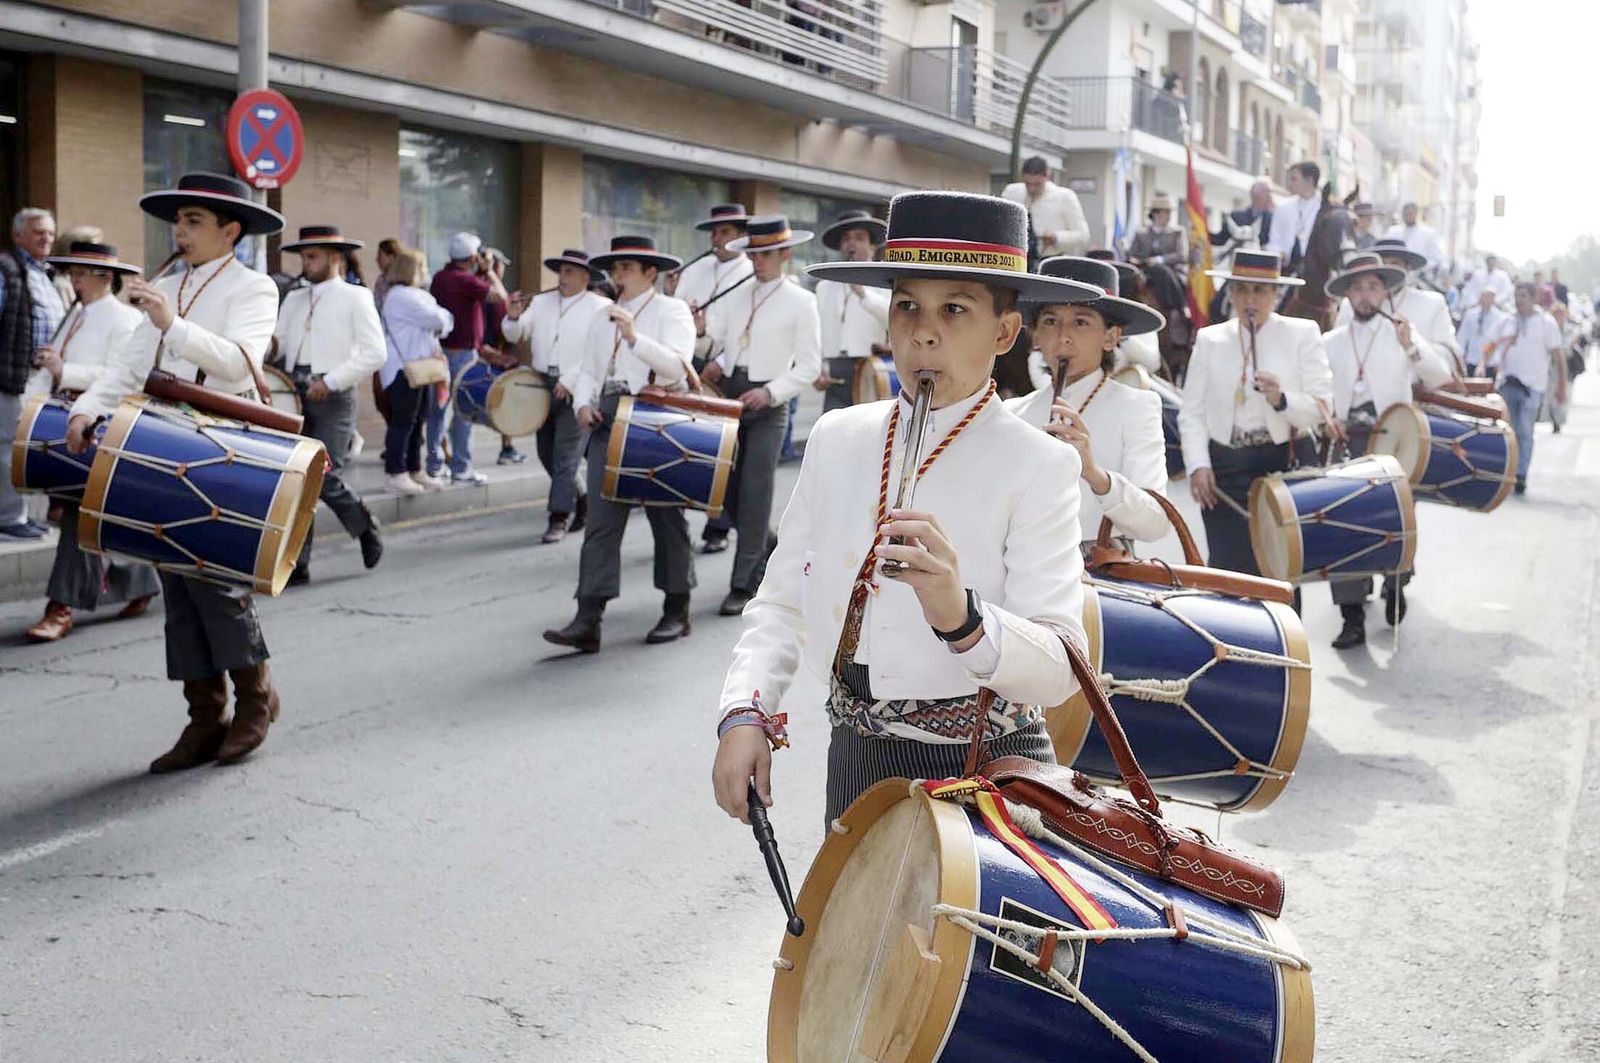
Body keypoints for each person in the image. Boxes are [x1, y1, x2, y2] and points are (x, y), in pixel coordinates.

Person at [710, 191, 1099, 827]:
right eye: (907, 306)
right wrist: (746, 710)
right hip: (857, 755)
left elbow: (1060, 667)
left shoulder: (1039, 463)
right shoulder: (838, 438)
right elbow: (781, 601)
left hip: (986, 763)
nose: (923, 331)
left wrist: (962, 614)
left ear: (1004, 332)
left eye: (955, 309)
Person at [64, 172, 286, 771]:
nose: (180, 231)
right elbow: (128, 366)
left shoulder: (254, 288)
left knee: (216, 582)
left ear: (230, 231)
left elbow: (241, 366)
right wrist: (87, 409)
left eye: (194, 221)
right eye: (179, 220)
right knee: (176, 584)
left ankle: (256, 701)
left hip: (220, 445)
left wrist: (172, 324)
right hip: (159, 442)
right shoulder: (167, 282)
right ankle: (203, 717)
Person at [544, 235, 698, 652]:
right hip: (609, 414)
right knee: (601, 520)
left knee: (665, 517)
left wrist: (634, 338)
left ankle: (676, 607)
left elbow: (678, 366)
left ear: (651, 273)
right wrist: (581, 403)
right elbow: (589, 370)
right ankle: (588, 617)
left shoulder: (672, 310)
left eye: (627, 268)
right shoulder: (601, 317)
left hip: (655, 416)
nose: (618, 277)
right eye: (614, 269)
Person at [23, 242, 160, 642]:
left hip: (101, 425)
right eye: (71, 273)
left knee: (79, 514)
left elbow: (120, 376)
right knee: (83, 514)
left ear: (104, 277)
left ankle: (60, 608)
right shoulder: (76, 315)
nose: (73, 280)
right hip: (61, 420)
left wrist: (67, 370)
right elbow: (53, 368)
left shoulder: (126, 320)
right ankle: (140, 580)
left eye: (80, 273)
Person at [1320, 253, 1452, 648]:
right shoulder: (1330, 342)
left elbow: (1439, 376)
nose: (1365, 295)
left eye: (1373, 287)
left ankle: (1396, 583)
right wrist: (1328, 416)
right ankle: (1352, 617)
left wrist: (1412, 346)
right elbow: (1317, 392)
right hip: (1346, 442)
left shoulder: (1401, 334)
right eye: (1357, 288)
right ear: (1347, 295)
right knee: (1342, 526)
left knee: (1391, 522)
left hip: (1392, 441)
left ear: (1385, 292)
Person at [1179, 249, 1331, 575]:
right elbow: (1190, 412)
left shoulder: (1302, 334)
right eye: (1241, 289)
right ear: (1231, 292)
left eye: (1260, 290)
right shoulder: (1210, 339)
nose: (1250, 299)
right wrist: (1198, 464)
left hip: (1282, 461)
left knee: (1281, 569)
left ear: (1276, 294)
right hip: (1226, 465)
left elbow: (1321, 409)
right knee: (1227, 569)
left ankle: (1284, 628)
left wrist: (1281, 399)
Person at [699, 216, 821, 616]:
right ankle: (766, 544)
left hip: (769, 405)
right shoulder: (737, 294)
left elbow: (807, 366)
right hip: (730, 396)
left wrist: (770, 392)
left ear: (785, 254)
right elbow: (721, 342)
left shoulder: (802, 301)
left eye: (766, 254)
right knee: (722, 492)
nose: (758, 262)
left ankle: (744, 581)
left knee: (755, 493)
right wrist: (714, 357)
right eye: (753, 255)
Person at [1005, 255, 1169, 547]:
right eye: (1051, 321)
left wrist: (1096, 475)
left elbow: (1156, 523)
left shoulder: (1136, 407)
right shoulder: (1012, 414)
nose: (1064, 336)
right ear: (1036, 337)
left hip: (1104, 576)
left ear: (1110, 337)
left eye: (1081, 322)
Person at [273, 225, 387, 584]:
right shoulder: (293, 298)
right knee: (294, 480)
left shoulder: (356, 297)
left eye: (313, 256)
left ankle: (364, 525)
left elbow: (375, 353)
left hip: (335, 396)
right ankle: (297, 562)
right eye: (304, 256)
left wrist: (332, 381)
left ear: (335, 257)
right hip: (293, 395)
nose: (305, 263)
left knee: (322, 473)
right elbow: (277, 343)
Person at [502, 249, 611, 543]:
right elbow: (517, 333)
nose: (563, 277)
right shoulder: (541, 302)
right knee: (545, 453)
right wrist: (512, 318)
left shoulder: (600, 307)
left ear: (586, 278)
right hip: (541, 383)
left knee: (565, 455)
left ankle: (558, 517)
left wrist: (571, 379)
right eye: (561, 271)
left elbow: (600, 352)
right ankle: (582, 497)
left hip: (577, 389)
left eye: (570, 272)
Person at [1, 207, 67, 540]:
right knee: (6, 448)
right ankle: (7, 518)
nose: (46, 238)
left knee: (23, 446)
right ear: (18, 235)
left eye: (51, 233)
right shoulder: (6, 269)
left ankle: (20, 515)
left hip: (39, 380)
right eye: (38, 231)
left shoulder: (49, 274)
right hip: (10, 375)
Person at [425, 231, 507, 485]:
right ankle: (461, 467)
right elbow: (501, 297)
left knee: (437, 411)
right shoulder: (467, 281)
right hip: (463, 356)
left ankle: (434, 465)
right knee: (463, 411)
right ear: (472, 257)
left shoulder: (440, 278)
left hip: (439, 353)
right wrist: (490, 270)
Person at [378, 247, 453, 495]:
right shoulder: (402, 296)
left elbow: (442, 320)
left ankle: (414, 469)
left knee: (417, 420)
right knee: (403, 421)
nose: (426, 273)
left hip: (420, 368)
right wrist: (440, 314)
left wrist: (440, 315)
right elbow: (440, 320)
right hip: (403, 369)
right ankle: (396, 473)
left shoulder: (413, 295)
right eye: (423, 267)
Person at [1483, 282, 1565, 495]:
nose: (1519, 300)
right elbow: (1490, 345)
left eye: (1523, 296)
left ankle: (1521, 474)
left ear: (1534, 298)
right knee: (1505, 430)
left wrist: (1561, 385)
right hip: (1508, 383)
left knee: (1525, 431)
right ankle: (1506, 471)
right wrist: (1484, 364)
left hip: (1533, 386)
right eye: (1517, 295)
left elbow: (1558, 355)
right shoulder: (1506, 320)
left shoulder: (1546, 323)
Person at [1336, 238, 1462, 373]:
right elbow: (1338, 349)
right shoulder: (1351, 305)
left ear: (1407, 268)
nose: (1388, 269)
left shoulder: (1432, 303)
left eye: (1395, 264)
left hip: (1417, 390)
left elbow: (1450, 358)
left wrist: (1412, 346)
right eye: (1383, 264)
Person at [812, 209, 889, 414]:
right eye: (846, 239)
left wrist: (865, 295)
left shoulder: (885, 279)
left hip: (872, 368)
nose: (851, 244)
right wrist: (817, 369)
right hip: (835, 371)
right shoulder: (825, 286)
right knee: (832, 433)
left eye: (859, 238)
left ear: (872, 244)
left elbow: (894, 321)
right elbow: (815, 332)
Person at [1002, 156, 1091, 260]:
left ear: (1047, 177)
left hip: (1051, 259)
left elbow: (1083, 235)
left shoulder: (1064, 197)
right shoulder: (1012, 192)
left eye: (1037, 184)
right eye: (1028, 184)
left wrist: (1056, 237)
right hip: (1017, 258)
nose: (1032, 189)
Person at [674, 203, 754, 315]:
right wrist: (671, 292)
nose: (716, 239)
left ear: (742, 236)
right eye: (714, 233)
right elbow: (677, 308)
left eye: (724, 232)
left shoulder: (752, 273)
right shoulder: (695, 268)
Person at [1264, 161, 1321, 271]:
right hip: (1285, 267)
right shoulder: (1283, 206)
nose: (1290, 184)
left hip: (1313, 269)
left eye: (1294, 179)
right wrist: (1278, 252)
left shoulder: (1323, 209)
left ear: (1309, 180)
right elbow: (1274, 238)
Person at [1458, 288, 1509, 378]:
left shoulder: (1500, 317)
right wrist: (1460, 356)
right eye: (1485, 296)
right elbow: (1462, 336)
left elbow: (1499, 341)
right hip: (1472, 359)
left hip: (1490, 362)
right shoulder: (1470, 314)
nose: (1487, 299)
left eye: (1490, 297)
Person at [1381, 202, 1444, 274]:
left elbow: (1435, 257)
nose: (1408, 216)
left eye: (1410, 214)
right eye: (1405, 214)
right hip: (1396, 272)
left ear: (1416, 213)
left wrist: (1421, 268)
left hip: (1420, 273)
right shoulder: (1393, 231)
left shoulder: (1428, 233)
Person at [1547, 301, 1579, 432]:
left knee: (1564, 391)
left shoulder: (1570, 329)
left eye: (1561, 313)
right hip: (1550, 365)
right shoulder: (1548, 328)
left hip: (1565, 365)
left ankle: (1560, 418)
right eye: (1556, 313)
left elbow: (1566, 346)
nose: (1559, 316)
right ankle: (1554, 419)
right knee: (1550, 393)